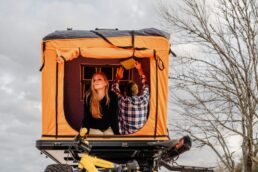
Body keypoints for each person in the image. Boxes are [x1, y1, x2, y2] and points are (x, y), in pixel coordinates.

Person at [111, 61, 149, 134]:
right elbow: (145, 84)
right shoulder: (144, 99)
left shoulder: (122, 100)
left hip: (126, 137)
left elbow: (114, 89)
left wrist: (118, 77)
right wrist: (139, 69)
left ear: (125, 92)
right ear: (137, 91)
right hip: (141, 136)